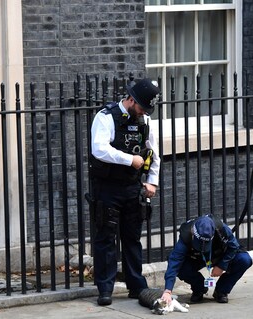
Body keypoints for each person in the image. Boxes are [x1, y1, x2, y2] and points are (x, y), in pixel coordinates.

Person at [89, 78, 161, 306]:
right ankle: (105, 288)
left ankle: (136, 286)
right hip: (107, 188)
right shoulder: (105, 117)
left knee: (132, 239)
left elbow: (153, 153)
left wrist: (152, 181)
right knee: (106, 239)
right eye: (141, 107)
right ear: (131, 99)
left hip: (132, 187)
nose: (143, 113)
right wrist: (130, 159)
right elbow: (99, 149)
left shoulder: (145, 119)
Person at [160, 214, 253, 304]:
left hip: (219, 254)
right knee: (181, 268)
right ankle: (199, 289)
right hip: (197, 258)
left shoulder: (221, 228)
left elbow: (233, 246)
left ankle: (221, 291)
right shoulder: (185, 236)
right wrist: (168, 291)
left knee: (244, 260)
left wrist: (222, 266)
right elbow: (174, 262)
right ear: (193, 232)